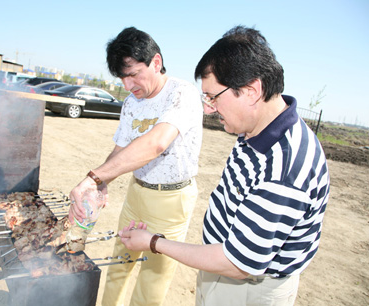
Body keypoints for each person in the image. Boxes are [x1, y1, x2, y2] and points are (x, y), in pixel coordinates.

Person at [119, 25, 330, 306]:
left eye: (213, 96)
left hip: (247, 288)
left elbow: (237, 263)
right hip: (220, 269)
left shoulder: (285, 168)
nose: (208, 108)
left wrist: (153, 242)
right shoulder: (255, 127)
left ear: (251, 90)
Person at [68, 27, 203, 306]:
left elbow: (156, 144)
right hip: (136, 192)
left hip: (171, 199)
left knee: (152, 280)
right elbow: (121, 149)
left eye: (132, 75)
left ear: (155, 62)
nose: (128, 86)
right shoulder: (131, 103)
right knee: (118, 264)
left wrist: (93, 176)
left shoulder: (183, 94)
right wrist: (100, 183)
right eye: (122, 78)